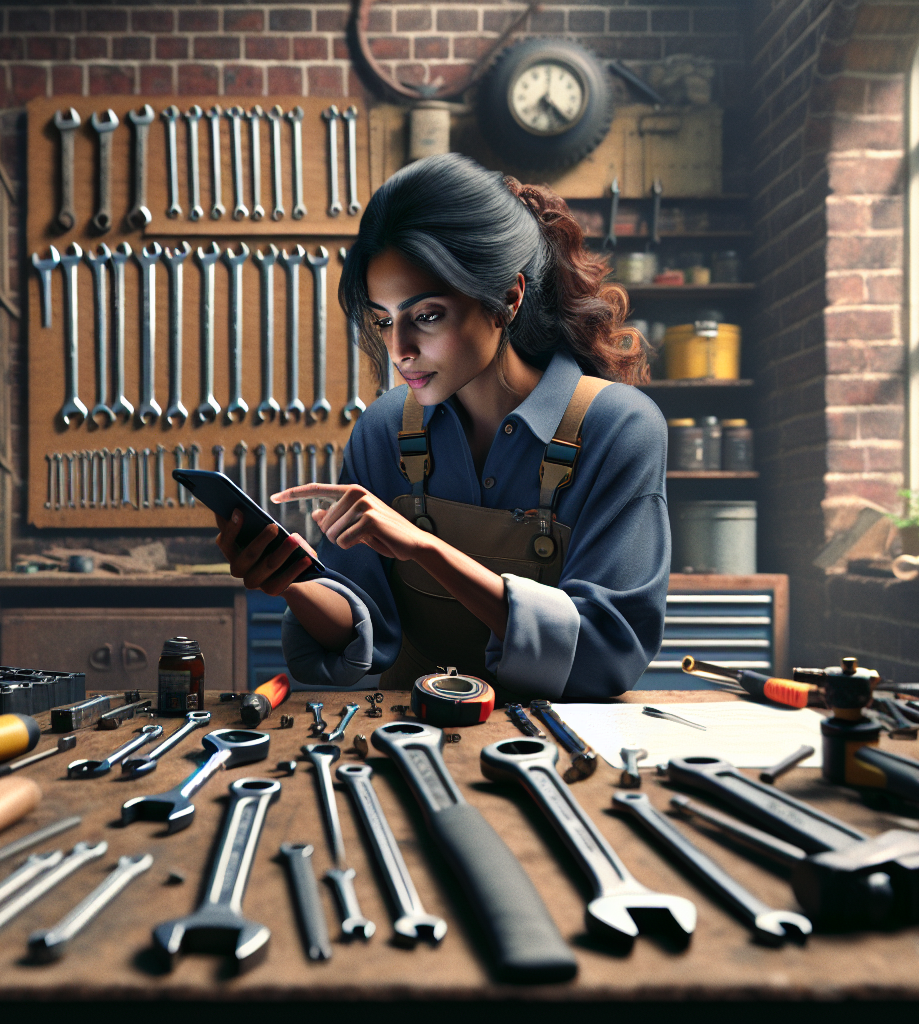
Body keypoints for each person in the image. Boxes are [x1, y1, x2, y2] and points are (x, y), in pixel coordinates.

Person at [213, 153, 669, 700]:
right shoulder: (383, 431)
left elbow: (605, 655)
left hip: (551, 738)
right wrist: (289, 581)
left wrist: (426, 549)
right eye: (384, 320)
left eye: (426, 316)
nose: (400, 349)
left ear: (508, 298)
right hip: (411, 734)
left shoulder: (619, 429)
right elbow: (363, 627)